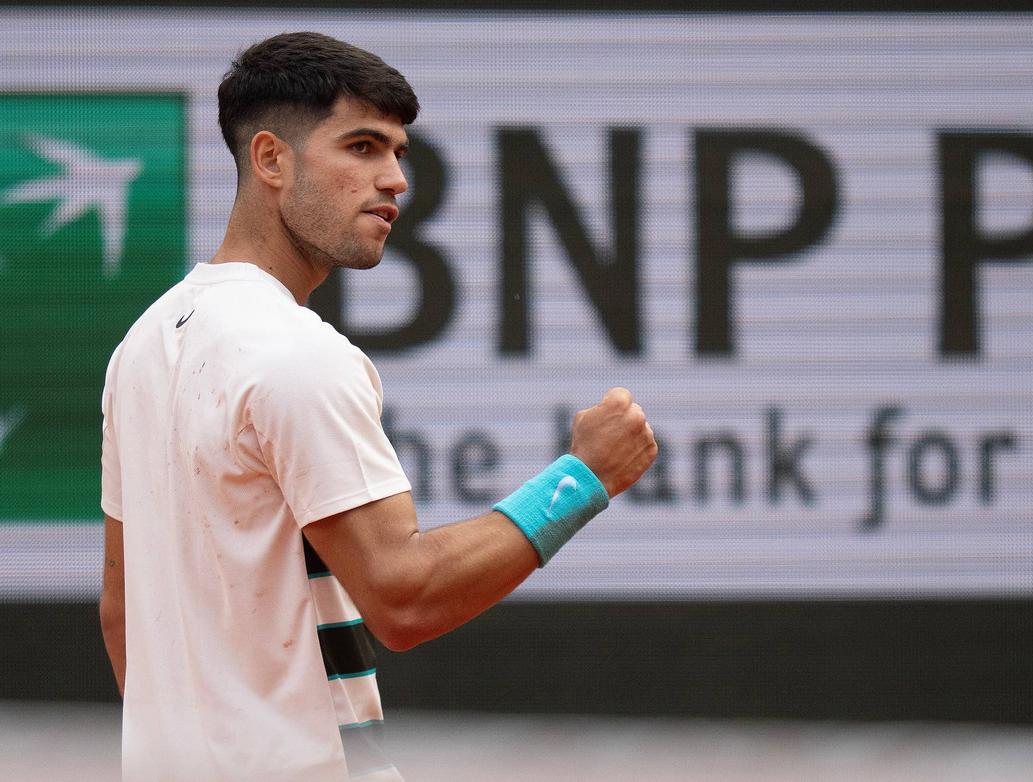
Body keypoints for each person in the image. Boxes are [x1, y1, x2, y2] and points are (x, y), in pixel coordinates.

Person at [98, 31, 657, 782]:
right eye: (361, 147)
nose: (394, 179)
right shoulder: (298, 355)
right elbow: (406, 597)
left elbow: (120, 611)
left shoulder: (143, 343)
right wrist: (583, 478)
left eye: (398, 152)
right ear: (271, 159)